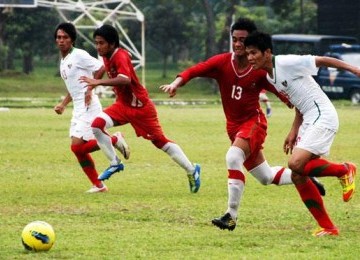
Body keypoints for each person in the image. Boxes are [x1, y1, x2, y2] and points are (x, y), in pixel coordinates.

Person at [160, 18, 325, 231]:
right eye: (234, 39)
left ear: (251, 44)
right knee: (266, 177)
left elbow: (288, 94)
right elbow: (195, 70)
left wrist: (292, 107)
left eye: (242, 41)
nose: (237, 44)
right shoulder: (222, 62)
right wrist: (176, 83)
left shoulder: (260, 70)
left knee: (232, 156)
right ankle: (306, 178)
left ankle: (231, 215)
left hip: (253, 123)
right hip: (234, 128)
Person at [244, 31, 357, 237]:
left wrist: (354, 69)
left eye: (253, 53)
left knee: (295, 164)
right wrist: (294, 129)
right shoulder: (271, 75)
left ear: (267, 52)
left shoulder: (287, 63)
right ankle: (328, 227)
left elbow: (322, 60)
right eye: (248, 53)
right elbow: (298, 102)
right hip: (309, 119)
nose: (249, 58)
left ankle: (344, 169)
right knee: (298, 174)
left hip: (323, 115)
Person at [79, 24, 201, 193]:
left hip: (141, 108)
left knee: (160, 142)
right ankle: (115, 163)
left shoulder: (120, 56)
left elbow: (125, 79)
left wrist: (97, 83)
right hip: (122, 105)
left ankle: (192, 170)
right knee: (97, 125)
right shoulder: (106, 56)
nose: (98, 47)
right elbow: (101, 70)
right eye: (96, 43)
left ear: (112, 43)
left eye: (101, 43)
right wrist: (91, 87)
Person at [54, 22, 130, 193]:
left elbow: (100, 67)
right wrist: (63, 104)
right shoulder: (64, 60)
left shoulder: (79, 55)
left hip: (89, 106)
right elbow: (73, 87)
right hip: (78, 107)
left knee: (78, 147)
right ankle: (99, 185)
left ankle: (114, 140)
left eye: (65, 37)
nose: (61, 40)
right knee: (77, 149)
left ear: (72, 39)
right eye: (58, 37)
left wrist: (90, 89)